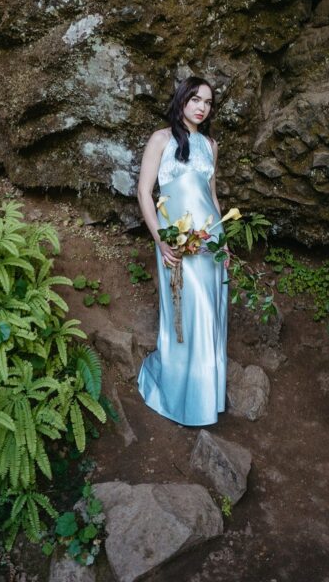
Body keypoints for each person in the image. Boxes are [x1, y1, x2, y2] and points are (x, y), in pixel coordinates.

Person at [137, 75, 228, 427]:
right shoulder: (161, 139)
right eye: (195, 99)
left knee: (210, 313)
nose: (202, 107)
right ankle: (180, 395)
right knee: (187, 313)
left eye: (207, 102)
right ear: (182, 101)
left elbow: (212, 197)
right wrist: (161, 238)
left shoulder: (210, 145)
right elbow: (145, 192)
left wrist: (225, 243)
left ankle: (206, 396)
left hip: (209, 244)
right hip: (175, 242)